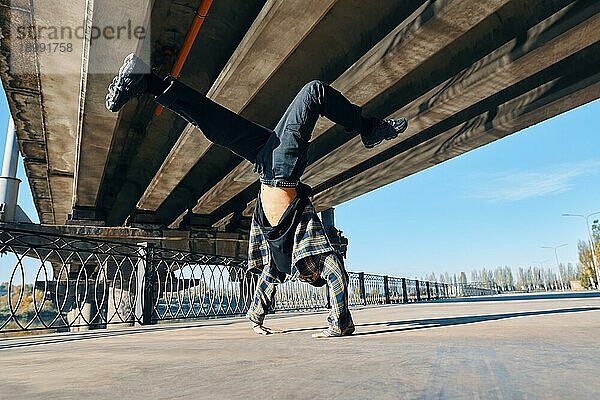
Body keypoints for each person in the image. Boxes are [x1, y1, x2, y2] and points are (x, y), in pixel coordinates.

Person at [106, 53, 408, 338]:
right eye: (309, 277)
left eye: (306, 277)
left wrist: (254, 319)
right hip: (280, 168)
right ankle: (368, 128)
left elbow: (267, 284)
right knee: (312, 92)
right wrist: (339, 321)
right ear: (314, 274)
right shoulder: (309, 251)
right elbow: (336, 277)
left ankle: (147, 81)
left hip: (269, 167)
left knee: (212, 123)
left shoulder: (281, 260)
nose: (304, 277)